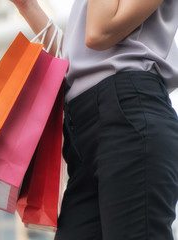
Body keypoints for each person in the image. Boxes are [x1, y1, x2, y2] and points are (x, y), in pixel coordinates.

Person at [10, 0, 178, 239]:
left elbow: (99, 32)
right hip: (85, 133)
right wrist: (28, 7)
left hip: (127, 115)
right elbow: (76, 60)